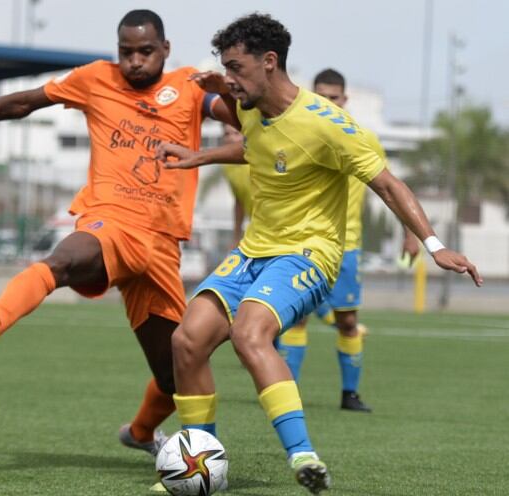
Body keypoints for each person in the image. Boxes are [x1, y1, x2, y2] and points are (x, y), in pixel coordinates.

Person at [155, 13, 481, 494]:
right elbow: (255, 148)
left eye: (236, 67)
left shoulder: (328, 125)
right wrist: (198, 155)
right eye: (225, 67)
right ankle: (202, 464)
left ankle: (303, 455)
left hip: (309, 254)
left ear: (270, 62)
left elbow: (388, 184)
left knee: (250, 333)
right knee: (187, 341)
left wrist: (433, 244)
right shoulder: (248, 104)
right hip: (253, 252)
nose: (229, 79)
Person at [0, 8, 237, 477]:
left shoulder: (191, 85)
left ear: (165, 49)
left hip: (162, 246)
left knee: (176, 372)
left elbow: (242, 121)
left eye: (145, 51)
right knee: (66, 260)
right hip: (110, 220)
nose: (134, 61)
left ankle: (139, 434)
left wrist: (230, 93)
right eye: (126, 52)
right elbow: (25, 102)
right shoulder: (95, 79)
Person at [274, 68, 421, 413]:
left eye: (334, 98)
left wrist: (409, 233)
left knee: (348, 321)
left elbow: (388, 188)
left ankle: (349, 395)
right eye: (321, 97)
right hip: (303, 244)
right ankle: (287, 391)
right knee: (297, 318)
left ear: (345, 100)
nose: (328, 103)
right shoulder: (297, 134)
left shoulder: (362, 138)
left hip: (347, 247)